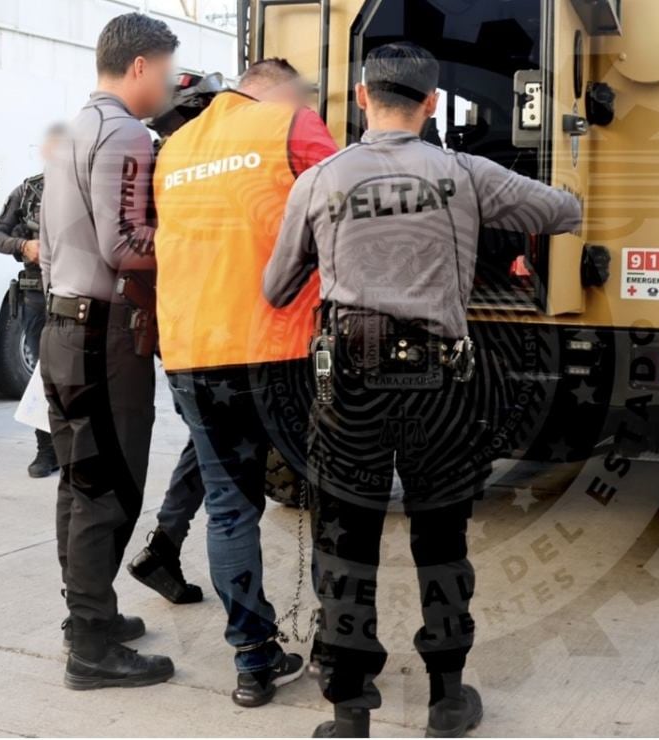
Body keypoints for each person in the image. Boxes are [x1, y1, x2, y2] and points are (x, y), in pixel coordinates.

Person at [263, 42, 582, 738]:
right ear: (431, 103)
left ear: (359, 96)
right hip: (441, 383)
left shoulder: (320, 180)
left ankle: (349, 712)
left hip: (350, 383)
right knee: (441, 539)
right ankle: (446, 699)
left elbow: (275, 286)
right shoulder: (466, 174)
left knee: (346, 540)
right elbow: (561, 212)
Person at [153, 58, 338, 706]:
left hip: (193, 353)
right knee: (329, 499)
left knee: (230, 509)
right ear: (277, 88)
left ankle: (253, 664)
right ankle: (335, 652)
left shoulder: (175, 148)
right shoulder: (289, 123)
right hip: (278, 349)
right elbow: (345, 213)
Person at [39, 12, 177, 690]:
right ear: (142, 65)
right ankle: (89, 646)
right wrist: (197, 242)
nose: (174, 84)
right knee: (108, 488)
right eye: (170, 70)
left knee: (79, 481)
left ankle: (89, 614)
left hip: (64, 326)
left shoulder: (71, 131)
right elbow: (127, 247)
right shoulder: (125, 133)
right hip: (102, 335)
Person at [0, 125, 65, 477]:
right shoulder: (29, 189)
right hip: (38, 295)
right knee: (43, 374)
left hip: (79, 290)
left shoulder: (91, 186)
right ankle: (46, 450)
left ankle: (75, 450)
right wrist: (24, 246)